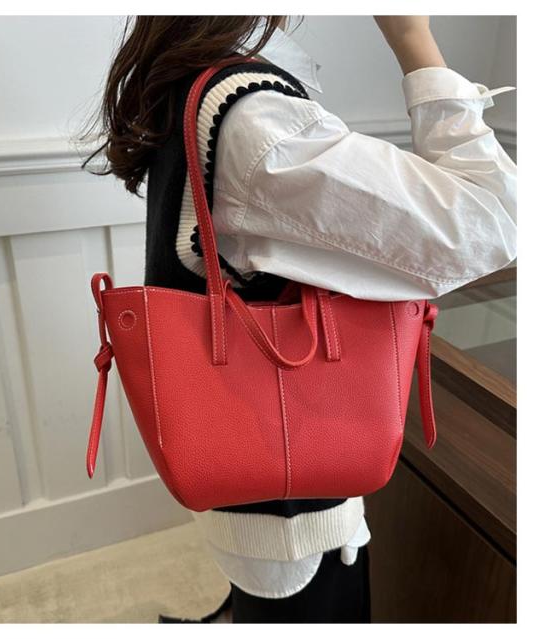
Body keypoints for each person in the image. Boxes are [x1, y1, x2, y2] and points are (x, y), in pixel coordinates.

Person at [81, 16, 516, 623]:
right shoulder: (259, 119)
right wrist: (413, 38)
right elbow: (494, 222)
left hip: (258, 494)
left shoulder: (195, 69)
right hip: (296, 523)